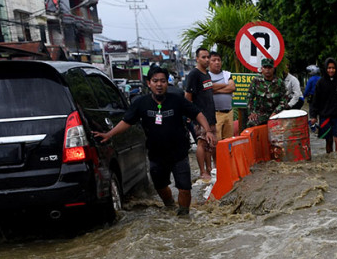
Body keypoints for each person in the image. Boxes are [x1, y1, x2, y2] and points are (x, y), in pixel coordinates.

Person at [94, 66, 214, 217]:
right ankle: (170, 206)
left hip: (179, 153)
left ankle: (184, 216)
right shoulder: (141, 103)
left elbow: (197, 114)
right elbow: (127, 122)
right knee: (161, 186)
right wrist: (109, 134)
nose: (159, 84)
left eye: (162, 81)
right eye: (155, 81)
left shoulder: (177, 100)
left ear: (167, 83)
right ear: (148, 83)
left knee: (184, 188)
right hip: (156, 155)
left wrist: (208, 131)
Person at [184, 47, 217, 182]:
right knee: (202, 142)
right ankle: (202, 171)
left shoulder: (207, 74)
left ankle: (209, 169)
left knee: (210, 144)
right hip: (200, 116)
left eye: (208, 57)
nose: (207, 60)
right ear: (197, 59)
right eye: (203, 57)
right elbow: (188, 95)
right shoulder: (194, 74)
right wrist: (189, 113)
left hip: (210, 115)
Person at [311, 57, 337, 153]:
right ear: (325, 68)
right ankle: (330, 159)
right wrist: (313, 116)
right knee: (329, 141)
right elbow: (315, 100)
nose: (331, 70)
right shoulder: (320, 83)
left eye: (333, 68)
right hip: (325, 116)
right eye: (329, 68)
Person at [245, 57, 288, 128]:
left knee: (284, 127)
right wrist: (252, 112)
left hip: (276, 113)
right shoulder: (256, 81)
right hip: (260, 114)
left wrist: (276, 112)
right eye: (265, 67)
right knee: (251, 124)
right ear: (262, 69)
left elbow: (284, 100)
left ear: (273, 69)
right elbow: (249, 97)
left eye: (270, 67)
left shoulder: (279, 82)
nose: (267, 70)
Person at [208, 51, 236, 140]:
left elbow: (232, 87)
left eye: (219, 60)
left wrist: (215, 90)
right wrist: (225, 85)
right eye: (214, 60)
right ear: (209, 62)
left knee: (228, 140)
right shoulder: (206, 76)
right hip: (216, 114)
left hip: (229, 113)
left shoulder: (227, 74)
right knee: (217, 140)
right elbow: (209, 88)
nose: (217, 62)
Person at [304, 64, 321, 129]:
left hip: (313, 98)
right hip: (321, 98)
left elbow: (307, 90)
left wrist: (304, 96)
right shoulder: (321, 79)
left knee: (313, 113)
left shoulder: (311, 79)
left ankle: (313, 125)